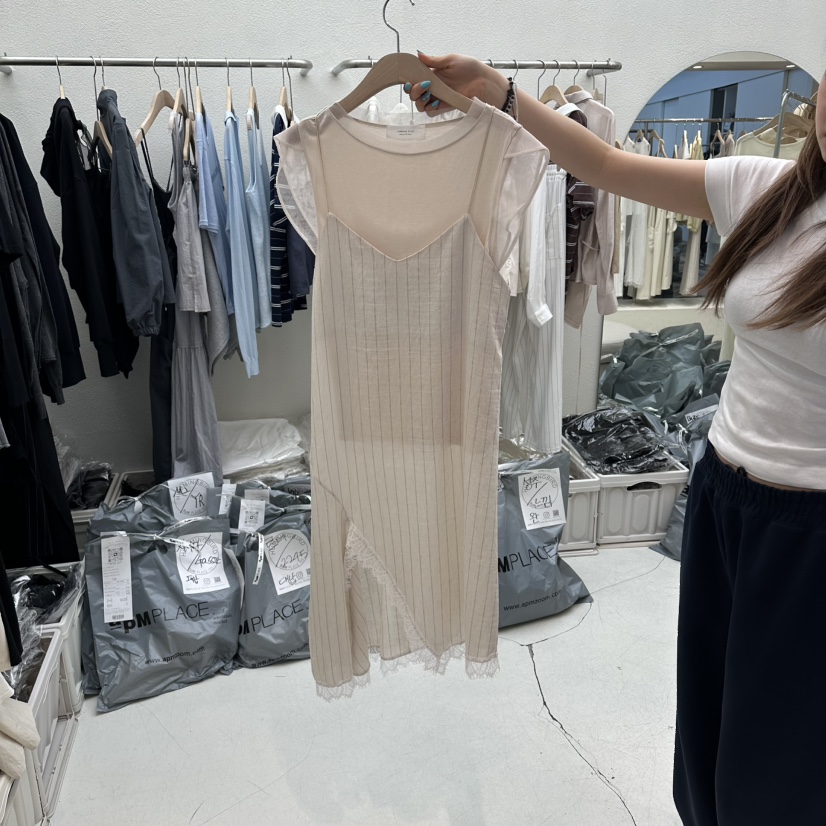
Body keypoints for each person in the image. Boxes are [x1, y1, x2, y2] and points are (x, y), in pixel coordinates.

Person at [407, 54, 826, 826]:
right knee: (707, 734)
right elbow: (603, 165)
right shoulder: (765, 190)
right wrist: (499, 92)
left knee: (777, 767)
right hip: (723, 496)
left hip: (811, 534)